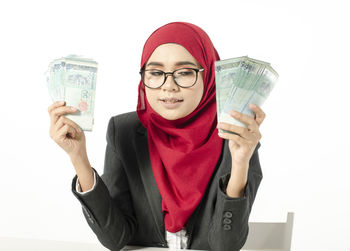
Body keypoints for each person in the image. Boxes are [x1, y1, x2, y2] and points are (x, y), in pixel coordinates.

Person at [48, 22, 265, 251]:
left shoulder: (237, 137)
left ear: (209, 74)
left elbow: (225, 245)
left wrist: (240, 163)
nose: (168, 86)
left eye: (184, 72)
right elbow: (115, 238)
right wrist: (78, 155)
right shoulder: (125, 131)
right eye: (155, 73)